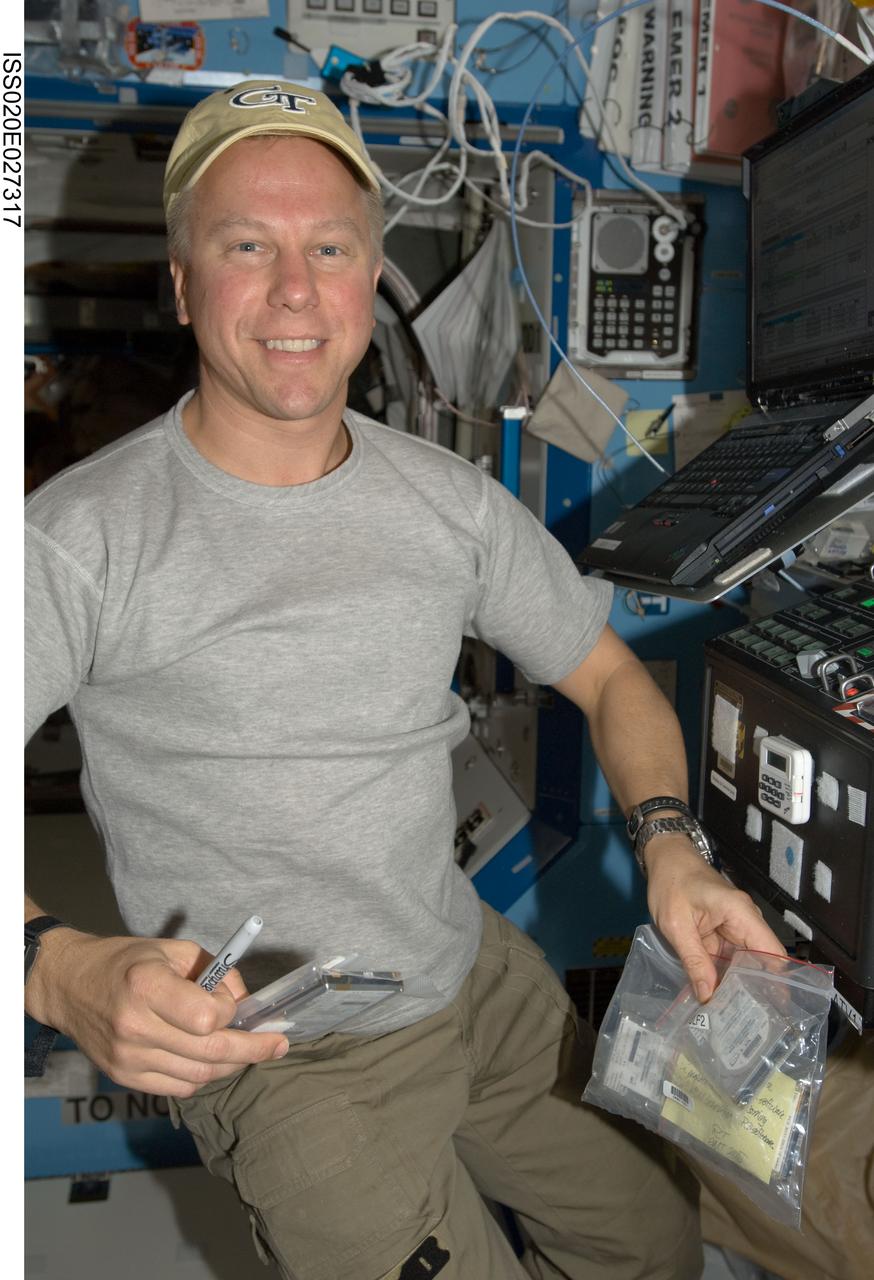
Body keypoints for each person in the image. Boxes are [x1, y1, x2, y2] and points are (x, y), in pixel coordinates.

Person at [25, 81, 784, 1280]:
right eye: (246, 245)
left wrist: (671, 845)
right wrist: (53, 965)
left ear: (371, 276)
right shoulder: (76, 541)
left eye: (329, 248)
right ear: (181, 283)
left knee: (652, 1239)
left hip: (470, 974)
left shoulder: (447, 504)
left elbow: (609, 677)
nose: (294, 288)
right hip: (283, 1055)